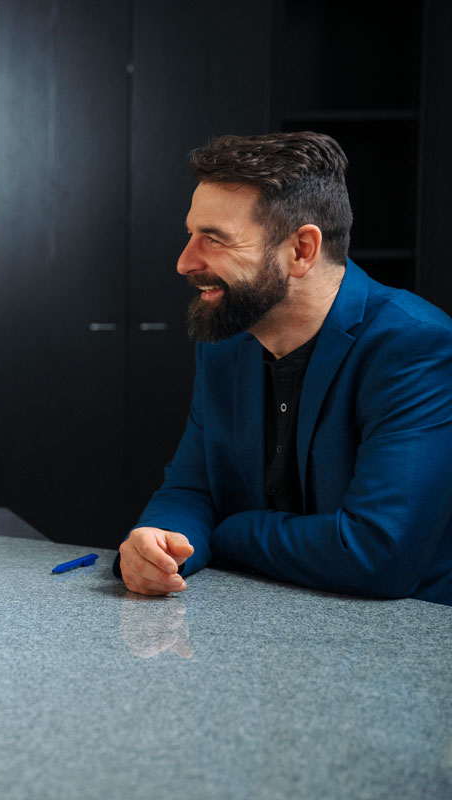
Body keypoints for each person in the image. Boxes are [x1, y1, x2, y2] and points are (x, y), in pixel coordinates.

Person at [117, 131, 452, 605]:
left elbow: (377, 554)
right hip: (262, 617)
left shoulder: (415, 345)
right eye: (191, 235)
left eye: (214, 239)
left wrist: (228, 532)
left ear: (301, 250)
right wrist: (159, 543)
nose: (184, 262)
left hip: (401, 634)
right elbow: (193, 488)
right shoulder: (226, 341)